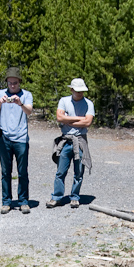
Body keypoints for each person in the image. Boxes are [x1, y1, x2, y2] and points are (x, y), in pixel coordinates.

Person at [0, 67, 33, 214]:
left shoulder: (26, 95)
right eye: (10, 83)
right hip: (5, 138)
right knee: (5, 172)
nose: (12, 86)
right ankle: (6, 201)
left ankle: (23, 201)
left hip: (21, 138)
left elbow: (29, 111)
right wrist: (1, 102)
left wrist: (20, 103)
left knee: (22, 172)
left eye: (15, 83)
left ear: (19, 82)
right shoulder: (0, 94)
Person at [48, 78, 94, 209]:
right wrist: (79, 118)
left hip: (80, 139)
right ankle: (56, 197)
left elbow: (88, 122)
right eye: (77, 91)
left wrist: (67, 120)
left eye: (82, 91)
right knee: (60, 171)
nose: (80, 93)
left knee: (79, 171)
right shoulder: (64, 101)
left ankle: (75, 197)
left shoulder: (88, 104)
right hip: (66, 140)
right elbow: (59, 117)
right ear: (72, 90)